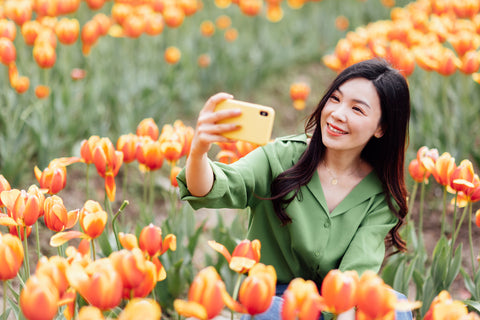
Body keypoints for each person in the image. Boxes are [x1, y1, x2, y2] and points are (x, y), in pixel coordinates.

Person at [177, 58, 412, 319]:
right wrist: (198, 152)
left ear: (381, 128)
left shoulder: (381, 193)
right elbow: (213, 187)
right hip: (273, 299)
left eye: (357, 110)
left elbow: (354, 274)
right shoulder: (281, 157)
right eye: (335, 99)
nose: (337, 113)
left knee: (395, 305)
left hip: (333, 302)